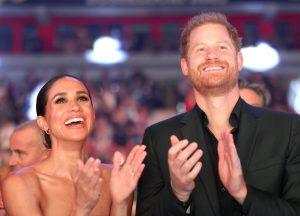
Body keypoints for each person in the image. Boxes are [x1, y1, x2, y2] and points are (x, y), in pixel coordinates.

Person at [136, 12, 300, 216]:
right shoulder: (158, 138)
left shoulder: (289, 129)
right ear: (185, 66)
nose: (211, 55)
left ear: (239, 60)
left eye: (221, 47)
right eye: (200, 49)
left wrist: (243, 193)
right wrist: (177, 191)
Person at [2, 74, 146, 216]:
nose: (75, 107)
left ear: (93, 114)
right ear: (43, 122)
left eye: (82, 98)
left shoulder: (114, 177)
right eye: (61, 100)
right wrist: (81, 208)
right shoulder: (19, 184)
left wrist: (121, 204)